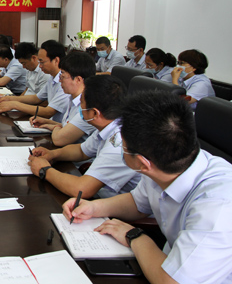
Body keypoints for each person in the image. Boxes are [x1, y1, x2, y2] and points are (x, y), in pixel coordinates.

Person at [63, 91, 232, 284]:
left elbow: (172, 281)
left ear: (142, 163)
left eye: (122, 146)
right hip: (165, 262)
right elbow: (138, 202)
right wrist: (94, 207)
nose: (120, 149)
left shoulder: (218, 207)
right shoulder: (167, 164)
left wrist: (134, 236)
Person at [29, 75, 140, 199]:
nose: (80, 107)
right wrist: (52, 154)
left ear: (94, 113)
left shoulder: (119, 142)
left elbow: (81, 189)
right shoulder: (109, 125)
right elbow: (81, 151)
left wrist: (44, 170)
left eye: (81, 102)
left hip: (112, 206)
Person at [31, 51, 97, 146]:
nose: (59, 80)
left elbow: (59, 139)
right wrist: (47, 122)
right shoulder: (72, 98)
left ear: (78, 80)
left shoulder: (87, 106)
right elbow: (68, 126)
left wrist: (55, 128)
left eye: (62, 76)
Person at [0, 40, 69, 121]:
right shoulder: (52, 78)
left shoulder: (65, 82)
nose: (40, 66)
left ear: (56, 60)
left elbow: (48, 112)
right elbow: (36, 98)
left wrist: (15, 105)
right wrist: (8, 98)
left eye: (42, 62)